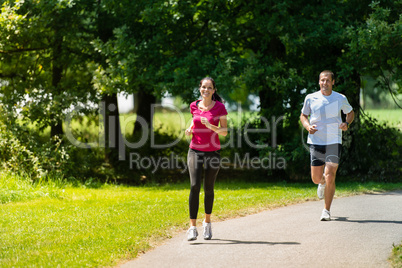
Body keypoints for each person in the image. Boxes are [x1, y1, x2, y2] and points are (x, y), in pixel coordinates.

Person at [300, 70, 354, 221]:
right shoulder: (311, 98)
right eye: (322, 80)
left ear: (333, 82)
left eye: (328, 80)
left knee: (331, 174)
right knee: (316, 178)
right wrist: (307, 126)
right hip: (316, 141)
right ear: (319, 82)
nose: (325, 83)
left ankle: (326, 210)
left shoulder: (340, 98)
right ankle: (321, 182)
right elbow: (303, 115)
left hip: (333, 140)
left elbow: (350, 113)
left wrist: (346, 123)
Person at [184, 77, 228, 240]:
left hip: (213, 152)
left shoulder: (220, 107)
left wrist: (210, 126)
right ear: (200, 89)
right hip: (194, 150)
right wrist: (190, 128)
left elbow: (224, 131)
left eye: (209, 87)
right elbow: (195, 122)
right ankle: (192, 227)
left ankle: (207, 223)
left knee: (208, 188)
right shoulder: (194, 105)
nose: (206, 90)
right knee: (194, 186)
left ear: (214, 90)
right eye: (204, 87)